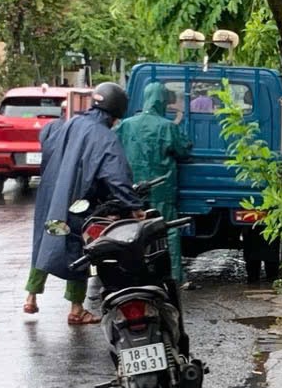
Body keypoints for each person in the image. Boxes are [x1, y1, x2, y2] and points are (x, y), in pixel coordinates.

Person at [25, 81, 137, 325]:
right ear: (116, 112)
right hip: (78, 203)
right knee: (78, 251)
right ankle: (77, 309)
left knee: (46, 241)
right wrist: (132, 205)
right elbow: (116, 177)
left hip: (53, 196)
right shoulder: (105, 137)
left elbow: (48, 137)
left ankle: (31, 297)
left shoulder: (72, 123)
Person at [118, 85, 196, 288]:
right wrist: (178, 125)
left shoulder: (126, 125)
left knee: (131, 232)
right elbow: (183, 150)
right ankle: (175, 277)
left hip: (132, 190)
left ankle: (131, 276)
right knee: (168, 230)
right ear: (162, 101)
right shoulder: (167, 126)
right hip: (162, 189)